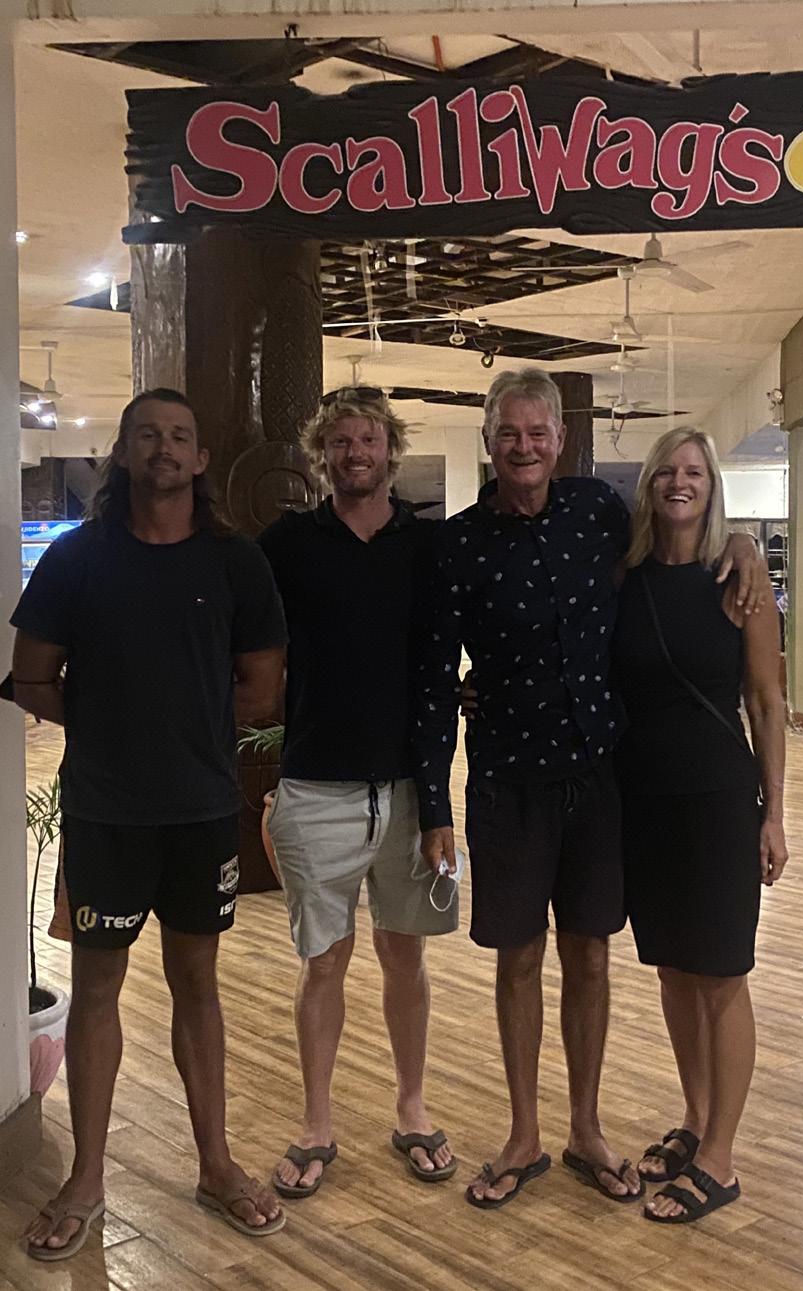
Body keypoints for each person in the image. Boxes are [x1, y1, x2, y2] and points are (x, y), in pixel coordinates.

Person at [416, 368, 768, 1210]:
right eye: (509, 433)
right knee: (518, 959)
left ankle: (585, 1128)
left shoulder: (597, 514)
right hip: (507, 782)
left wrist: (746, 545)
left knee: (592, 954)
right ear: (489, 441)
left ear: (560, 441)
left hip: (599, 777)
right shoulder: (458, 545)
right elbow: (432, 680)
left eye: (538, 432)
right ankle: (523, 1135)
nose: (525, 446)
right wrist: (435, 803)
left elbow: (681, 538)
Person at [11, 389, 289, 1260]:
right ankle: (87, 1176)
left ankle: (216, 1164)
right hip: (105, 810)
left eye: (179, 435)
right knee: (97, 987)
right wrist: (109, 727)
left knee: (197, 984)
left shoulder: (237, 562)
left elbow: (261, 687)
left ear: (200, 458)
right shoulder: (77, 558)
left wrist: (187, 731)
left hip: (202, 810)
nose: (164, 448)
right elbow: (31, 676)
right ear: (124, 453)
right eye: (147, 435)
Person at [257, 387, 459, 1200]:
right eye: (340, 441)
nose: (355, 453)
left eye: (368, 439)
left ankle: (412, 1107)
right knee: (324, 961)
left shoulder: (427, 546)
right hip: (315, 785)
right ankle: (316, 1123)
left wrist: (440, 807)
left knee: (405, 955)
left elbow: (442, 672)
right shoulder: (286, 545)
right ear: (322, 454)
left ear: (390, 449)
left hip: (409, 788)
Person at [611, 427, 788, 1224]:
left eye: (694, 473)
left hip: (718, 798)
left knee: (721, 974)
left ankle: (720, 1155)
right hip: (645, 800)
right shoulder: (625, 576)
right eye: (667, 472)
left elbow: (767, 702)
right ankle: (695, 1116)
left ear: (712, 486)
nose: (679, 483)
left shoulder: (738, 580)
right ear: (649, 484)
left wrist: (774, 813)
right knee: (674, 971)